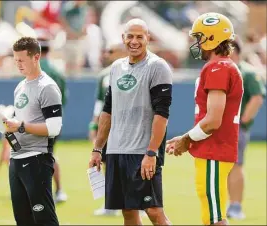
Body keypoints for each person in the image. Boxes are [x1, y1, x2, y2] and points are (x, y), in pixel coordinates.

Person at [89, 18, 173, 225]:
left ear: (148, 38)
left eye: (139, 37)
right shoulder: (116, 68)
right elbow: (107, 111)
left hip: (142, 152)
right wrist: (98, 149)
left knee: (153, 210)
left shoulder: (158, 67)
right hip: (116, 151)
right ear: (123, 38)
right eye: (130, 36)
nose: (134, 41)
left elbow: (161, 114)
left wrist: (152, 152)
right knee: (128, 211)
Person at [166, 13, 243, 225]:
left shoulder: (218, 67)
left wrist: (186, 139)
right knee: (211, 213)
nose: (196, 43)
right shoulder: (222, 66)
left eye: (199, 37)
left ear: (211, 38)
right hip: (214, 150)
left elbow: (213, 120)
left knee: (215, 217)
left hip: (214, 150)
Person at [5, 37, 61, 226]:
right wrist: (2, 123)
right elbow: (19, 120)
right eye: (15, 60)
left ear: (36, 57)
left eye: (22, 60)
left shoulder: (47, 87)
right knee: (23, 219)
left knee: (45, 220)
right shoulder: (20, 86)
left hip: (37, 159)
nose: (18, 65)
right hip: (16, 159)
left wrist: (20, 125)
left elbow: (54, 128)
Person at [227, 37, 266, 219]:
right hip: (219, 127)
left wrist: (242, 121)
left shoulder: (247, 72)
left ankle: (235, 205)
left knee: (236, 165)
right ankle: (222, 204)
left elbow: (257, 97)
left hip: (235, 128)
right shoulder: (222, 70)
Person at [89, 42, 127, 216]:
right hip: (108, 125)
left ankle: (136, 203)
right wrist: (94, 125)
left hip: (126, 125)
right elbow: (99, 103)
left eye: (111, 51)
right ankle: (111, 204)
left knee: (129, 163)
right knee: (106, 162)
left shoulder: (132, 71)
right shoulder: (105, 75)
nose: (107, 54)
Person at [37, 31, 68, 203]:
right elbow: (65, 97)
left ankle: (44, 192)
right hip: (54, 119)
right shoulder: (57, 70)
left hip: (36, 121)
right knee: (49, 155)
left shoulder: (37, 69)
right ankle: (58, 190)